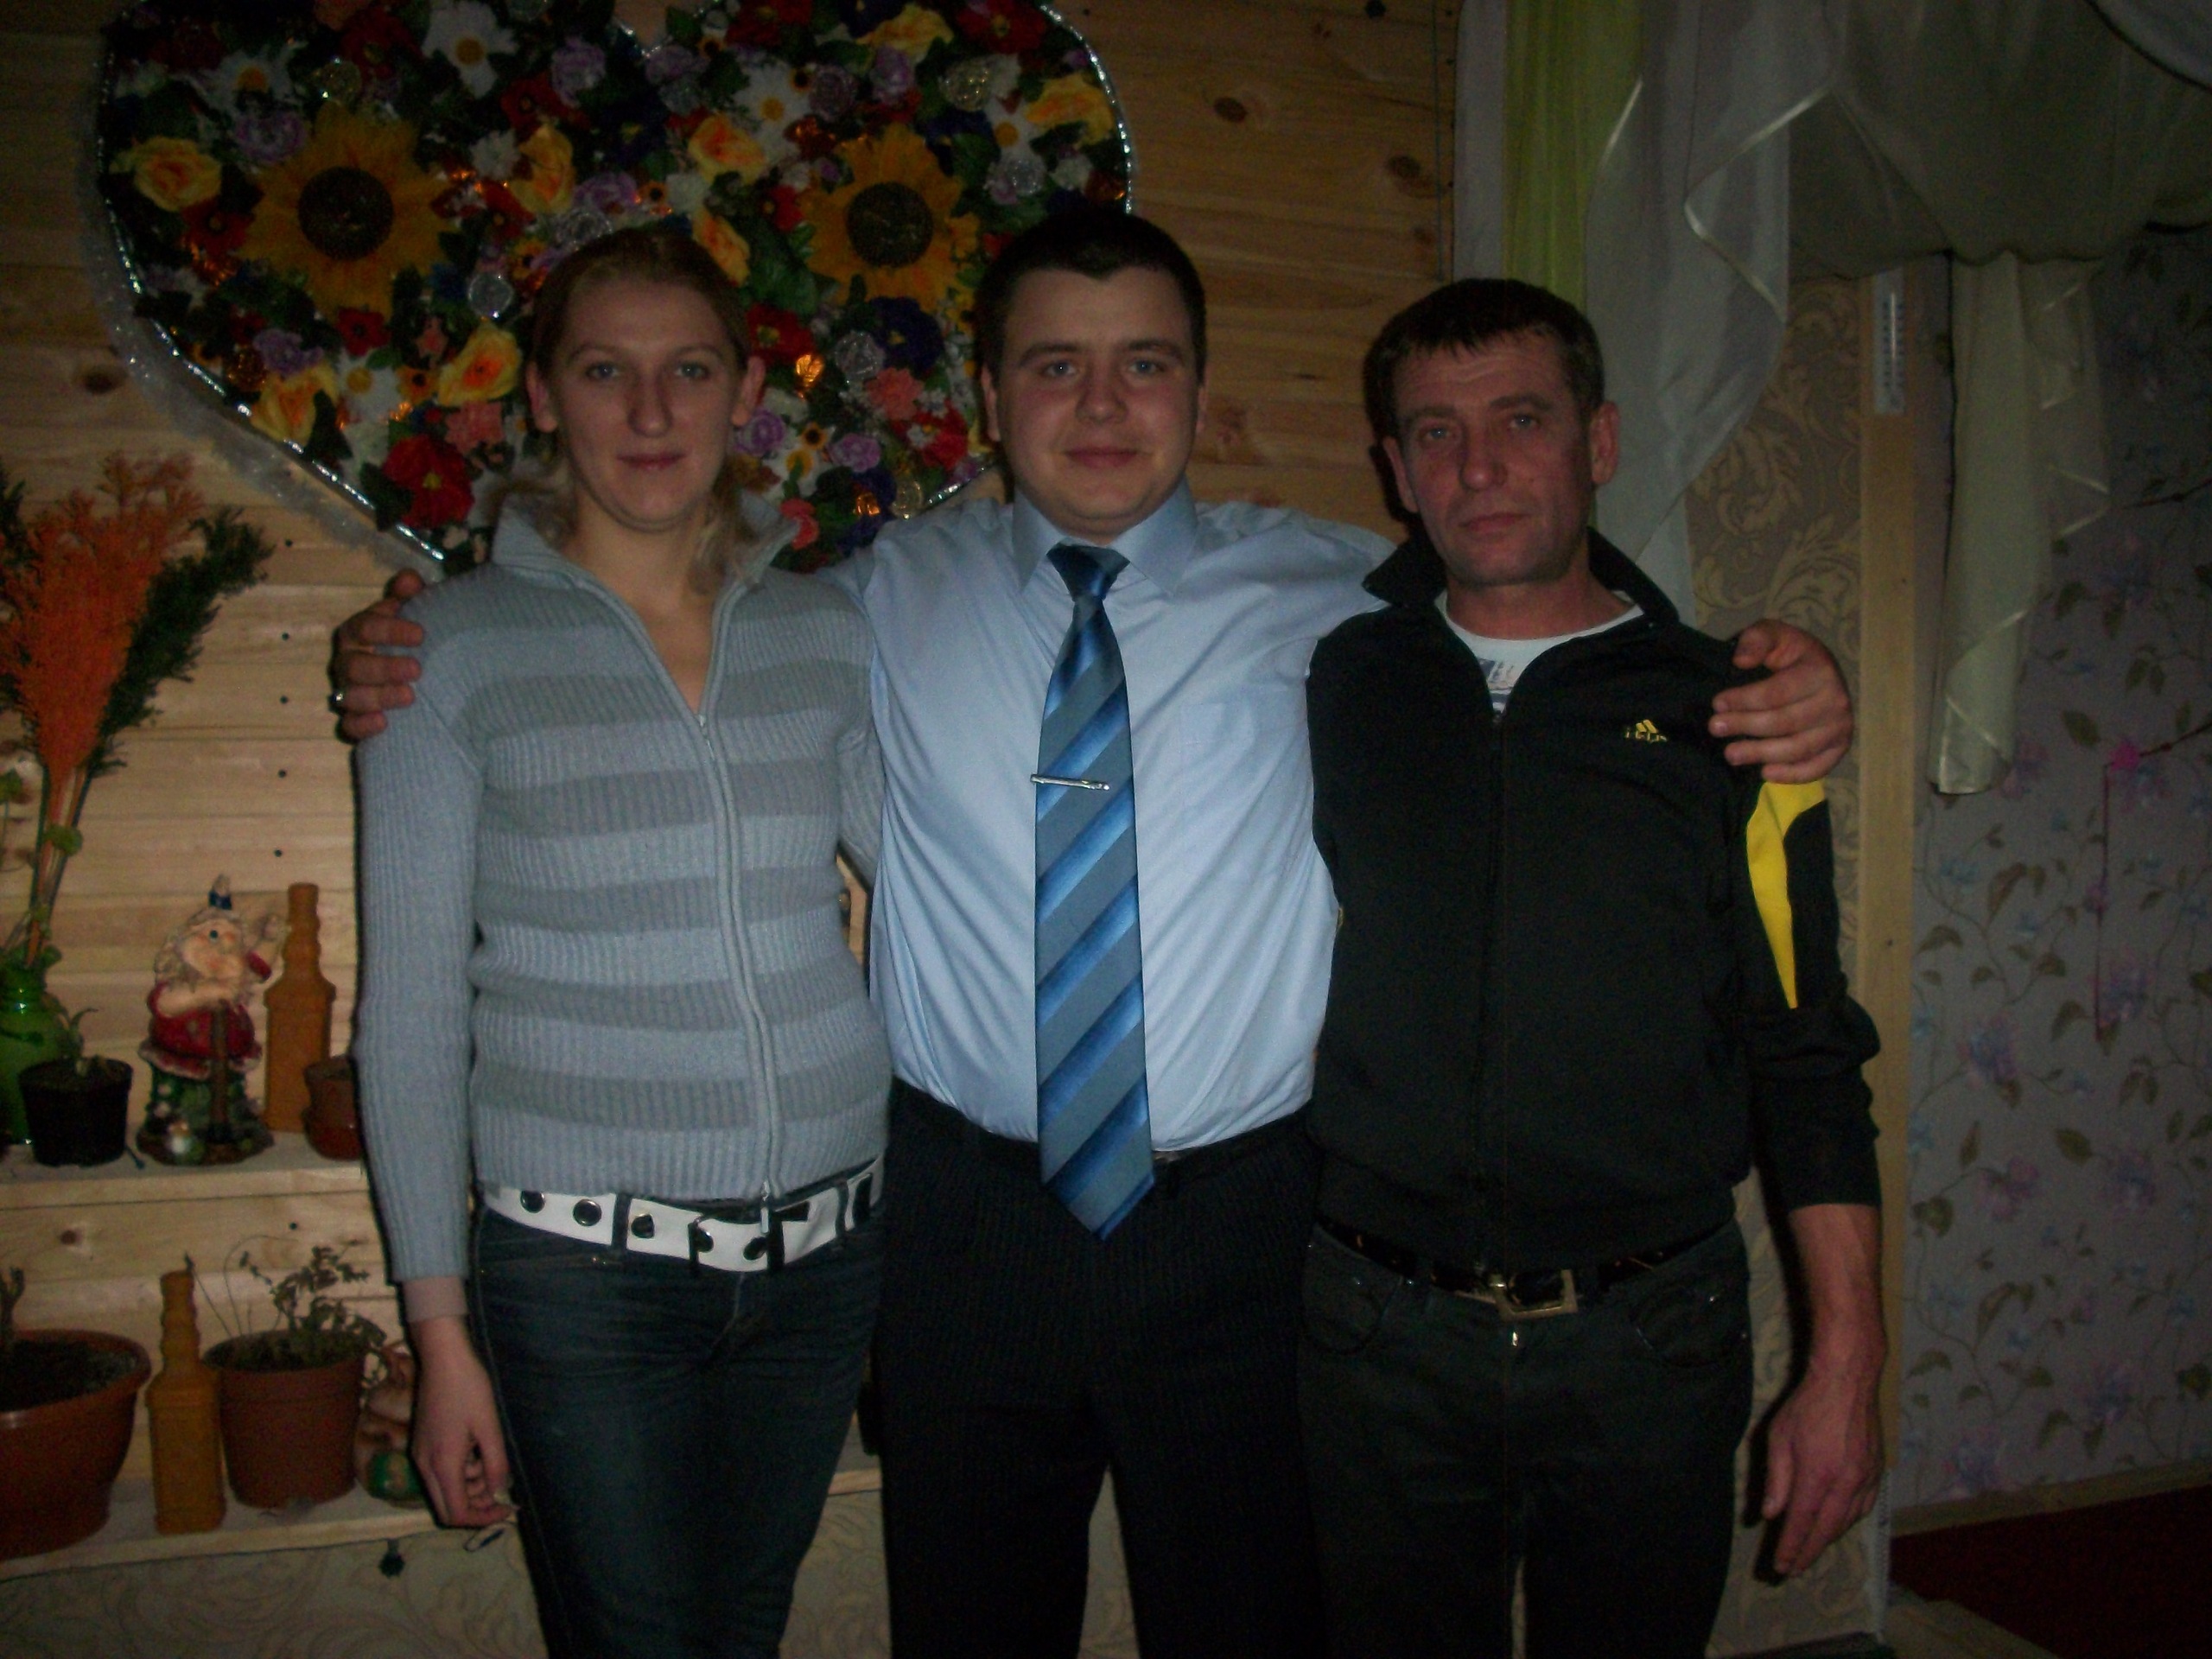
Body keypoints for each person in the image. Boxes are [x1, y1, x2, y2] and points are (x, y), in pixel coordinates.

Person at [334, 212, 1853, 1658]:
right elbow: (664, 625)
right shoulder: (864, 602)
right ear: (993, 400)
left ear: (1197, 387)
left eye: (1147, 362)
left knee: (1250, 1631)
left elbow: (1531, 564)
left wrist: (1767, 674)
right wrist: (408, 631)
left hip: (1245, 1228)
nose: (1105, 404)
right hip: (964, 1229)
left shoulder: (1339, 588)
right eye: (1057, 364)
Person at [1299, 277, 1885, 1658]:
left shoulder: (1731, 714)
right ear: (1396, 470)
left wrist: (1847, 1363)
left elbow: (1806, 1050)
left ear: (1600, 441)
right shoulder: (1335, 680)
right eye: (1435, 433)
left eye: (1522, 420)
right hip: (1377, 1337)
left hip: (1649, 1344)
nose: (1479, 467)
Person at [352, 226, 891, 1659]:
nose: (651, 413)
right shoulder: (445, 650)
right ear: (542, 395)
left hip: (828, 1263)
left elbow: (937, 889)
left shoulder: (828, 632)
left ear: (744, 394)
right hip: (587, 1286)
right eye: (605, 372)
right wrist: (440, 1334)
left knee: (745, 1629)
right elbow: (411, 1014)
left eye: (689, 370)